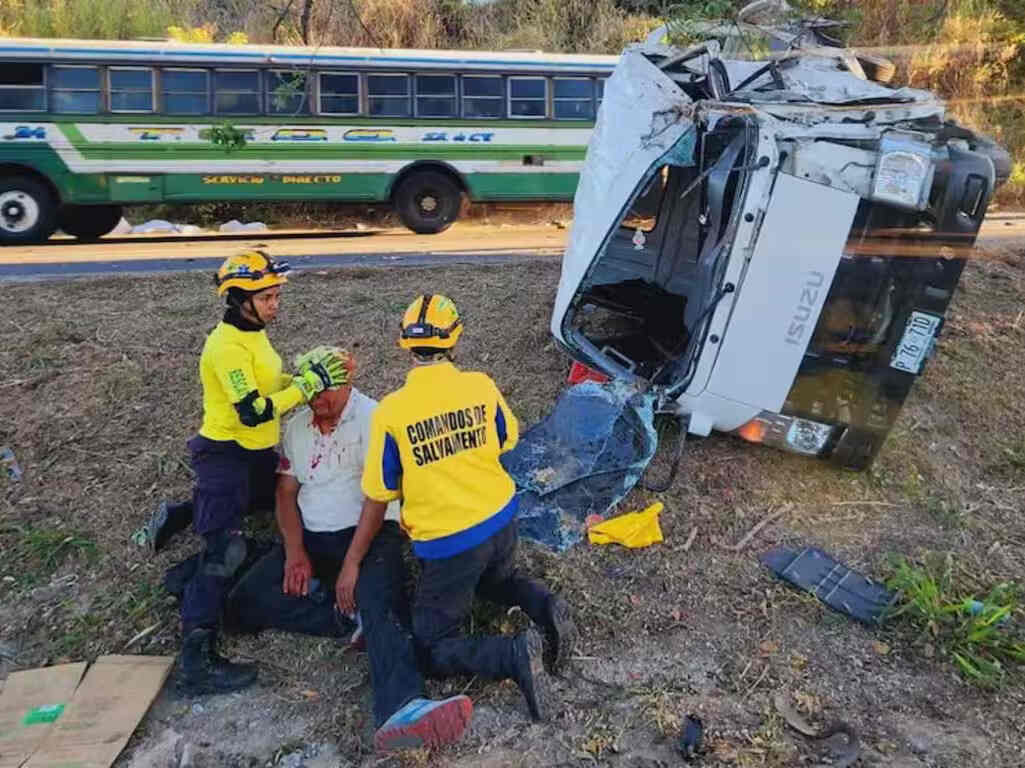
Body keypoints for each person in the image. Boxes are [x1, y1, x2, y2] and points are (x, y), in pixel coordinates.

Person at [336, 294, 578, 722]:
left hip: (450, 545)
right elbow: (507, 439)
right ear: (455, 339)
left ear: (405, 346)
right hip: (502, 522)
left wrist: (353, 559)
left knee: (429, 646)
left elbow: (380, 490)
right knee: (493, 580)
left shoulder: (392, 413)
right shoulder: (480, 386)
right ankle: (545, 605)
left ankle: (511, 656)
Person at [224, 346, 472, 750]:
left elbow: (378, 499)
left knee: (383, 607)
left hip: (370, 535)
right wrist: (295, 552)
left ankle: (403, 707)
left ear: (346, 384)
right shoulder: (298, 426)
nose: (315, 402)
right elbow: (286, 493)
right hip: (314, 535)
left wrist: (352, 563)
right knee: (242, 603)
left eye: (324, 394)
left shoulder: (375, 419)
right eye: (309, 394)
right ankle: (341, 620)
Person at [167, 250, 349, 696]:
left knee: (296, 504)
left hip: (255, 455)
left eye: (275, 295)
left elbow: (267, 385)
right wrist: (305, 388)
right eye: (266, 297)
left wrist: (298, 378)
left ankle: (185, 514)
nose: (275, 303)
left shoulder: (255, 335)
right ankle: (196, 661)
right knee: (223, 553)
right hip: (226, 454)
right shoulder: (226, 346)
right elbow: (252, 411)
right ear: (239, 300)